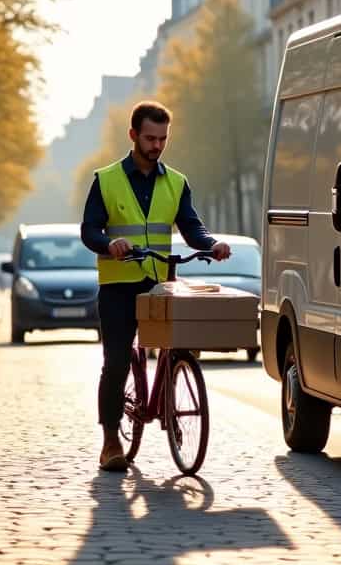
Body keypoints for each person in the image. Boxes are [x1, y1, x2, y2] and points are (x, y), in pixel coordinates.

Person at [79, 101, 230, 472]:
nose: (156, 145)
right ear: (133, 135)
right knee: (116, 361)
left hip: (158, 285)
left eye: (163, 138)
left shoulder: (176, 182)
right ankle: (111, 440)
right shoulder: (107, 179)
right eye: (150, 138)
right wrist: (107, 245)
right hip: (118, 286)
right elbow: (89, 230)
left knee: (176, 347)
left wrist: (210, 244)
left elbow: (191, 226)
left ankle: (166, 404)